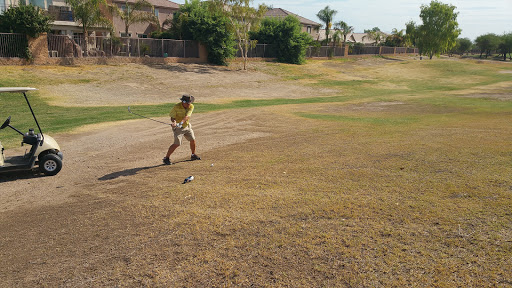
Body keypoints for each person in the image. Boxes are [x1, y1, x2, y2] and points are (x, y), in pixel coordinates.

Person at [163, 94, 201, 165]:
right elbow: (172, 117)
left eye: (190, 103)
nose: (189, 104)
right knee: (177, 144)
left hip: (187, 126)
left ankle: (193, 155)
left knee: (192, 140)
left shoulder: (191, 106)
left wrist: (180, 123)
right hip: (178, 129)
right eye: (187, 103)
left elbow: (187, 117)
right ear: (183, 102)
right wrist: (174, 122)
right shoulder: (176, 107)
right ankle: (166, 158)